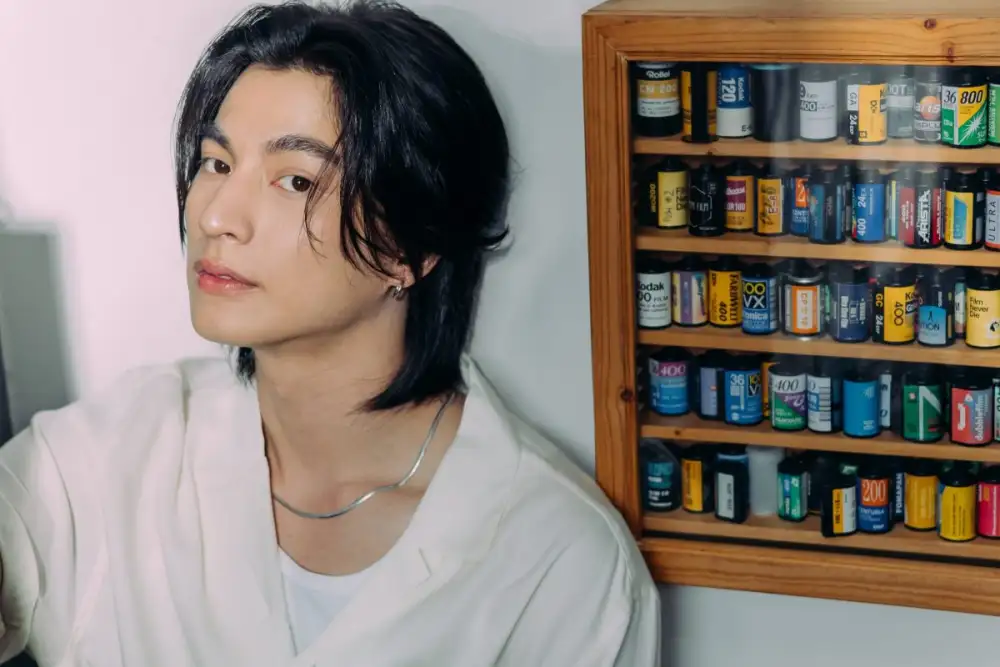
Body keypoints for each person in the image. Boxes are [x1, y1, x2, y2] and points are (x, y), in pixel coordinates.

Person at [0, 1, 660, 665]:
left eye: (294, 181)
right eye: (216, 163)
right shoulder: (109, 458)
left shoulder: (557, 562)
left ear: (410, 247)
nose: (218, 216)